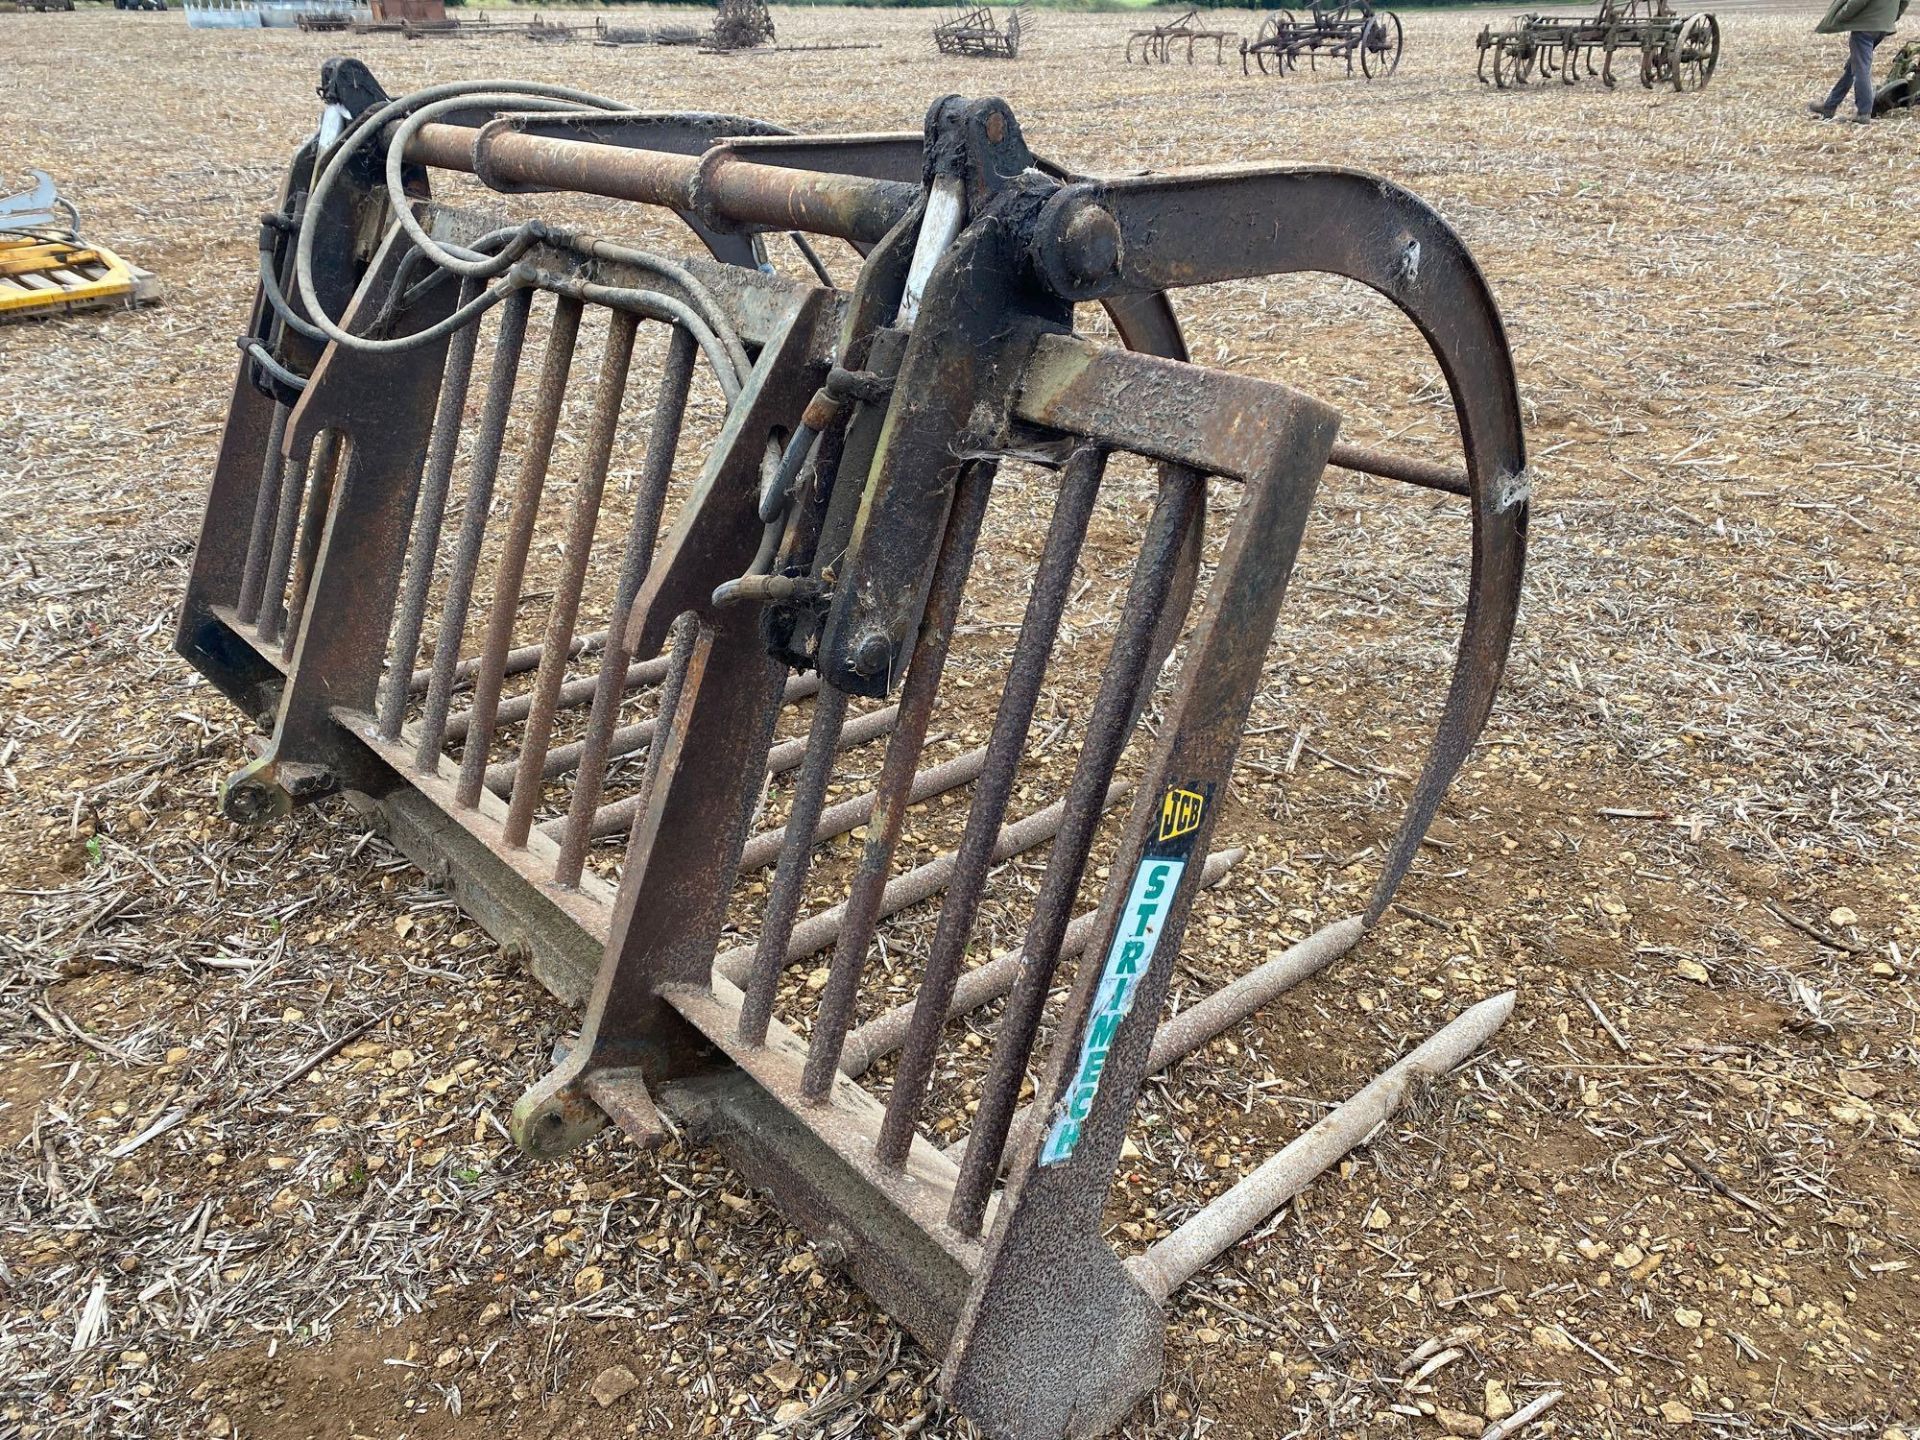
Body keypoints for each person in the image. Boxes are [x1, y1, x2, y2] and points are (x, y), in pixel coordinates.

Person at [1808, 0, 1910, 122]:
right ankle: (1830, 106)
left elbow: (1857, 2)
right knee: (1853, 67)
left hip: (1865, 26)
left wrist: (1840, 16)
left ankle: (1864, 113)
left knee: (1861, 69)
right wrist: (1892, 17)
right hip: (1882, 26)